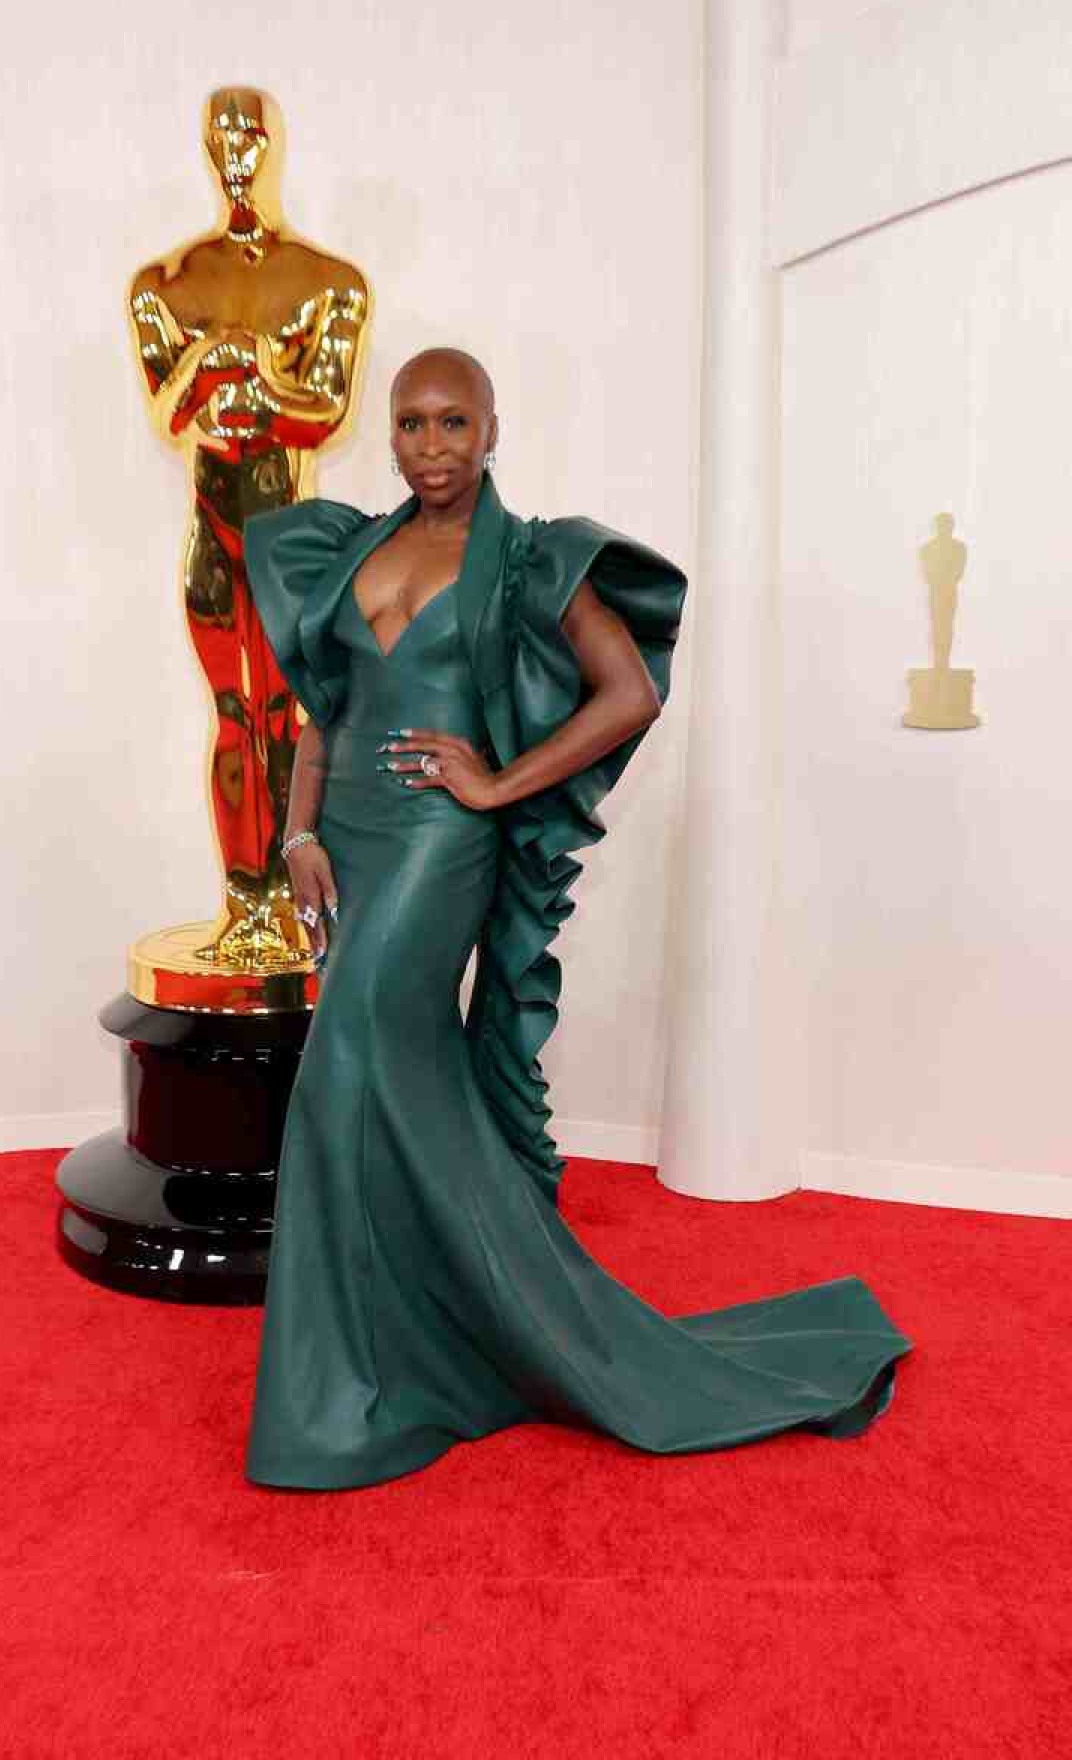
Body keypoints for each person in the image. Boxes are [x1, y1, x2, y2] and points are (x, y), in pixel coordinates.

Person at [241, 347, 912, 1491]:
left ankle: (342, 1387)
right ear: (390, 436)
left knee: (343, 1065)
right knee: (396, 1082)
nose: (433, 446)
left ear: (493, 430)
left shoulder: (526, 561)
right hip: (346, 841)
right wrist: (297, 836)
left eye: (456, 422)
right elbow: (323, 711)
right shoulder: (354, 546)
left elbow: (631, 691)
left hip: (439, 848)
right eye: (412, 424)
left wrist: (498, 786)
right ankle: (448, 1329)